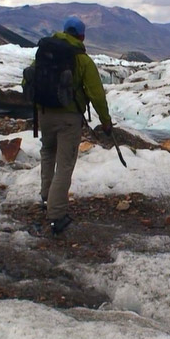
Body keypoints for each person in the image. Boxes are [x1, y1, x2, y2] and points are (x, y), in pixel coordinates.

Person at [38, 16, 112, 234]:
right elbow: (96, 95)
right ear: (82, 36)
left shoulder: (45, 51)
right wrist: (106, 121)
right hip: (68, 118)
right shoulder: (82, 60)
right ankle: (56, 215)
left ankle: (46, 199)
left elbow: (30, 79)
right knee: (65, 164)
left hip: (44, 114)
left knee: (47, 153)